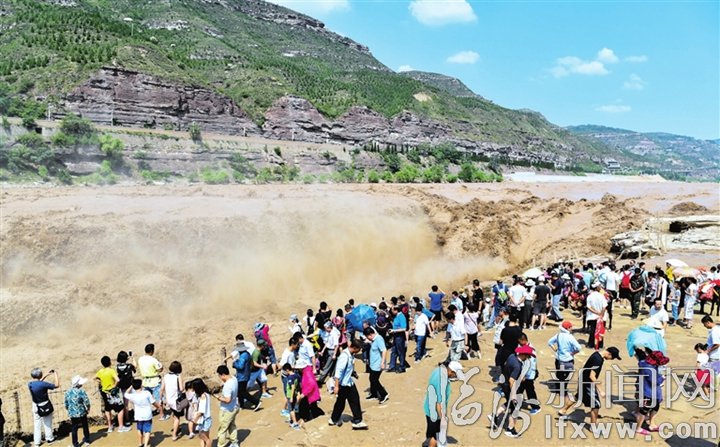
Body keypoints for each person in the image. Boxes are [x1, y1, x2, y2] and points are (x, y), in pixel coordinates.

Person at [557, 347, 622, 435]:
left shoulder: (596, 354)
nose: (612, 359)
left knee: (579, 396)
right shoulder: (598, 360)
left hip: (582, 379)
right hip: (587, 383)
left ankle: (563, 411)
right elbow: (592, 376)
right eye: (613, 357)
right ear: (609, 354)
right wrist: (600, 390)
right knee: (596, 405)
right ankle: (593, 428)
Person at [488, 345, 535, 438]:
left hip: (504, 384)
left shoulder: (512, 356)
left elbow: (506, 364)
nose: (529, 358)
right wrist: (513, 395)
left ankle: (495, 415)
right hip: (510, 387)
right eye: (528, 356)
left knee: (509, 404)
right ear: (525, 355)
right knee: (515, 409)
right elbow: (511, 380)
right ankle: (510, 429)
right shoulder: (517, 366)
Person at [329, 340, 368, 429]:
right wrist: (336, 386)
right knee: (342, 402)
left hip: (348, 382)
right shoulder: (344, 356)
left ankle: (336, 419)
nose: (359, 351)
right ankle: (336, 419)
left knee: (350, 400)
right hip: (343, 384)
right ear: (354, 348)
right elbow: (338, 372)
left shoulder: (351, 354)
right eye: (359, 349)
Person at [424, 361, 464, 447]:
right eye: (456, 375)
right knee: (435, 436)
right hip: (435, 413)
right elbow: (439, 403)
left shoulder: (438, 370)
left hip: (428, 407)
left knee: (433, 433)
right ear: (451, 372)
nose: (455, 377)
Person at [635, 349, 669, 434]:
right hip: (647, 392)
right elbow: (654, 381)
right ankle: (638, 428)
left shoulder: (645, 363)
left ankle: (652, 425)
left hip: (650, 391)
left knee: (655, 407)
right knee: (643, 410)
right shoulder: (649, 369)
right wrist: (662, 378)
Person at [547, 321, 581, 404]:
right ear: (568, 328)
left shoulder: (558, 335)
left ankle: (558, 390)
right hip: (567, 360)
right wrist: (573, 353)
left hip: (559, 359)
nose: (572, 328)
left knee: (559, 375)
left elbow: (550, 342)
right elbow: (579, 348)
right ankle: (562, 393)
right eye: (571, 327)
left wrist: (555, 349)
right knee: (566, 377)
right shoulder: (570, 337)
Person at [125, 379, 162, 447]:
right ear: (141, 385)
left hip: (138, 415)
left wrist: (131, 386)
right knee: (147, 430)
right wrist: (158, 407)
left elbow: (126, 394)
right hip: (147, 415)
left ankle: (140, 443)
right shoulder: (146, 393)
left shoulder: (132, 395)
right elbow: (153, 402)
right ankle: (145, 445)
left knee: (139, 429)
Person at [94, 356, 127, 433]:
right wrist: (114, 386)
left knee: (107, 408)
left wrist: (101, 381)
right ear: (110, 362)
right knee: (120, 408)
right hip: (112, 392)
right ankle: (121, 427)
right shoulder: (112, 371)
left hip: (104, 392)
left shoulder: (101, 371)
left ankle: (110, 426)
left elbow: (94, 378)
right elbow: (117, 380)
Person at [28, 367, 59, 447]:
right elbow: (56, 385)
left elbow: (38, 383)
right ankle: (49, 439)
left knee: (37, 425)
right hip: (44, 405)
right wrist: (56, 375)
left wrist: (45, 375)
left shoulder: (30, 384)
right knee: (47, 423)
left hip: (35, 405)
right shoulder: (43, 384)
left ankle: (37, 442)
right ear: (40, 375)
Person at [137, 344, 168, 421]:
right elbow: (159, 370)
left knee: (146, 399)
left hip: (145, 382)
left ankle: (146, 414)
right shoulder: (153, 360)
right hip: (154, 381)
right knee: (159, 398)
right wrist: (162, 366)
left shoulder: (140, 359)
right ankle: (162, 415)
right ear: (151, 351)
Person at [231, 341, 261, 411]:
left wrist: (234, 363)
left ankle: (256, 402)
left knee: (242, 392)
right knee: (240, 391)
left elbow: (240, 366)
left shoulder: (243, 356)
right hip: (246, 375)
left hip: (242, 376)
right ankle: (241, 405)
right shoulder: (247, 354)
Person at [216, 365, 239, 447]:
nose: (220, 378)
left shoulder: (227, 386)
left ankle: (221, 445)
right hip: (234, 406)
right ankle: (234, 442)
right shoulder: (234, 378)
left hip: (227, 410)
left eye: (219, 376)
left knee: (222, 429)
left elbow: (227, 400)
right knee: (232, 425)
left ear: (223, 375)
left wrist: (218, 398)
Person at [364, 326, 389, 403]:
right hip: (373, 364)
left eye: (367, 337)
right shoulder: (374, 340)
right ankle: (374, 394)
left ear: (370, 335)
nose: (367, 338)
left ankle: (384, 394)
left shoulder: (379, 339)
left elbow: (384, 350)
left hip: (378, 364)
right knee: (371, 379)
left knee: (374, 380)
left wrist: (382, 362)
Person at [64, 375, 91, 447]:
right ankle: (87, 440)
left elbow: (66, 403)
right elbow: (87, 401)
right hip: (82, 412)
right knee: (85, 425)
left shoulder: (67, 392)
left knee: (74, 427)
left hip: (72, 413)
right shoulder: (81, 391)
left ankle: (75, 443)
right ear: (78, 384)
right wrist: (88, 408)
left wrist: (69, 410)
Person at [160, 361, 184, 441]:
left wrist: (160, 399)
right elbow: (181, 389)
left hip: (169, 400)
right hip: (176, 400)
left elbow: (162, 389)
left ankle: (176, 428)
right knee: (177, 417)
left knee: (174, 414)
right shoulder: (178, 376)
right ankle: (174, 435)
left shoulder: (165, 376)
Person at [517, 334, 540, 415]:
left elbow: (530, 365)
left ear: (525, 340)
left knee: (529, 391)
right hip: (525, 375)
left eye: (520, 341)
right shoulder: (524, 347)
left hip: (528, 376)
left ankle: (536, 407)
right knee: (521, 390)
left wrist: (524, 375)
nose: (519, 343)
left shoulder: (530, 350)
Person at [116, 351, 136, 427]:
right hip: (130, 386)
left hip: (123, 387)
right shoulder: (129, 366)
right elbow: (135, 367)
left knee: (126, 404)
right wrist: (133, 358)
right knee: (134, 402)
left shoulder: (117, 367)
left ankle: (127, 420)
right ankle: (137, 417)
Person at [317, 321, 341, 386]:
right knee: (333, 367)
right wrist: (322, 351)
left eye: (326, 328)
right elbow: (327, 343)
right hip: (329, 351)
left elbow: (336, 345)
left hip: (332, 352)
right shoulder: (330, 334)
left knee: (327, 367)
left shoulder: (334, 334)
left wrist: (334, 354)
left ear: (329, 328)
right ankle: (332, 380)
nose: (325, 329)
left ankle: (321, 380)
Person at [585, 282, 607, 349]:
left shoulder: (589, 296)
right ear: (597, 288)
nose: (600, 287)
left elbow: (589, 307)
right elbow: (604, 307)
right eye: (599, 286)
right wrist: (601, 314)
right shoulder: (602, 296)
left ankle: (590, 344)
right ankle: (600, 345)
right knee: (601, 331)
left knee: (592, 331)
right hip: (601, 317)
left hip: (592, 317)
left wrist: (596, 313)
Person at [191, 379, 212, 447]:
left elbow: (201, 411)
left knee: (205, 438)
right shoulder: (206, 394)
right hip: (206, 419)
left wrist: (195, 419)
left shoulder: (203, 396)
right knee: (202, 437)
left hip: (204, 420)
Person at [389, 306, 408, 373]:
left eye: (392, 310)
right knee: (393, 351)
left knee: (400, 352)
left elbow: (404, 329)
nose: (391, 311)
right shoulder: (396, 316)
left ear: (396, 310)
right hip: (395, 336)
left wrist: (394, 330)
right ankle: (392, 367)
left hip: (400, 336)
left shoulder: (401, 317)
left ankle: (402, 367)